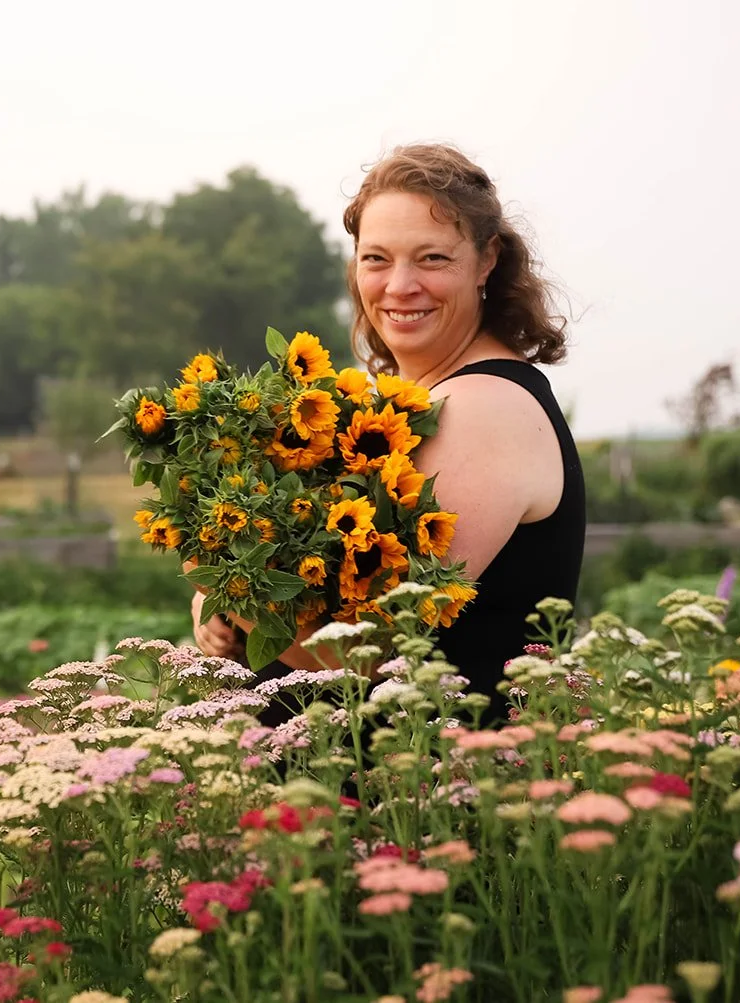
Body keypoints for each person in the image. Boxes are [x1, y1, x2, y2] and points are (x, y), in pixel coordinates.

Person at [191, 142, 586, 727]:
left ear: (486, 261)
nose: (399, 286)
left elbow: (361, 654)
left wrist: (225, 581)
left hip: (420, 794)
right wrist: (224, 604)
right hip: (342, 784)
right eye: (376, 258)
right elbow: (317, 603)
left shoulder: (483, 408)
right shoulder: (401, 403)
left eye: (431, 259)